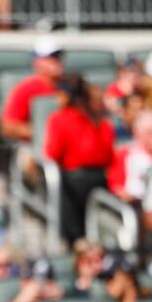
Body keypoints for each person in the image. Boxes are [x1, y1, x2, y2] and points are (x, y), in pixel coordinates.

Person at [44, 75, 114, 244]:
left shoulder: (60, 118)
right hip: (100, 179)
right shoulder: (98, 117)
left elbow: (53, 152)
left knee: (76, 233)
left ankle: (75, 243)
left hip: (75, 181)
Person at [0, 36, 64, 143]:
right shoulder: (25, 89)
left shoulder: (71, 85)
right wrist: (44, 132)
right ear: (37, 62)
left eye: (58, 56)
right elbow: (8, 127)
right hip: (35, 145)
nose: (55, 60)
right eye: (50, 56)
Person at [109, 110, 152, 202]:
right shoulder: (124, 154)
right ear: (138, 134)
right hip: (136, 205)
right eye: (150, 133)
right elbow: (115, 188)